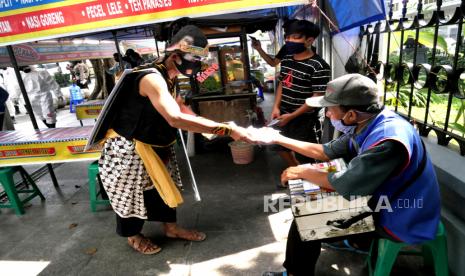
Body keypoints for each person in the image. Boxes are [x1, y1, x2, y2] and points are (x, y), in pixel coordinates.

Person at [254, 74, 441, 276]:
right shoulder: (369, 122)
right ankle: (356, 239)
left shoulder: (387, 140)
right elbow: (324, 151)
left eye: (330, 109)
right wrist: (278, 139)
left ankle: (296, 273)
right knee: (315, 202)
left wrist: (303, 171)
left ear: (350, 114)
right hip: (387, 199)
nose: (327, 114)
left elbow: (346, 185)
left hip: (403, 214)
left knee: (306, 220)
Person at [97, 25, 249, 255]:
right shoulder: (150, 77)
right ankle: (134, 235)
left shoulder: (170, 76)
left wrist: (210, 126)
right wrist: (225, 131)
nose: (199, 65)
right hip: (129, 149)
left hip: (157, 144)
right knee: (132, 194)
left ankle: (171, 228)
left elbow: (180, 106)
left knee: (163, 189)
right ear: (176, 56)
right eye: (195, 60)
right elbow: (175, 118)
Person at [268, 20, 331, 168]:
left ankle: (309, 177)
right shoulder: (287, 59)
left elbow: (317, 98)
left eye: (295, 37)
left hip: (304, 118)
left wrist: (292, 116)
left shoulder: (319, 66)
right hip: (282, 112)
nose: (289, 41)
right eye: (287, 37)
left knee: (305, 152)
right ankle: (296, 169)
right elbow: (283, 84)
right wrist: (276, 108)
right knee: (278, 144)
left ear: (309, 40)